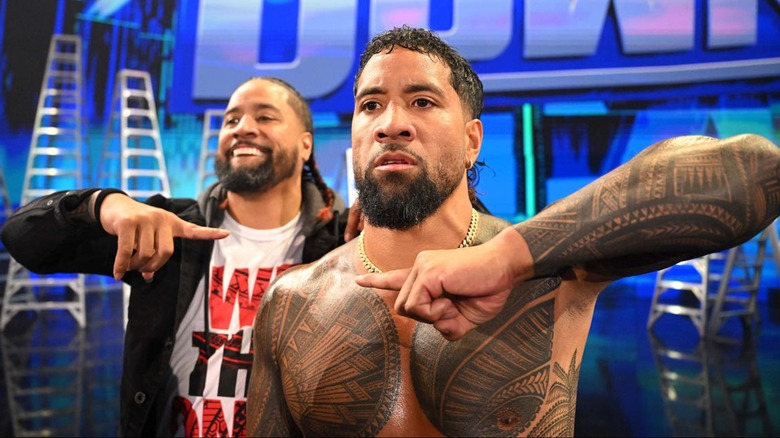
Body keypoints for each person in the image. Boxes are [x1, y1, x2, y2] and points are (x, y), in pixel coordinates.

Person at [244, 26, 780, 437]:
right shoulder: (292, 302)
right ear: (355, 134)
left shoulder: (553, 266)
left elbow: (762, 171)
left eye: (423, 101)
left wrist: (508, 258)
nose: (392, 122)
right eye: (371, 105)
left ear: (474, 140)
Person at [0, 77, 361, 437]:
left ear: (305, 145)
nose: (243, 129)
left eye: (265, 117)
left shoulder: (345, 244)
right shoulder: (167, 230)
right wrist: (101, 205)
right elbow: (23, 239)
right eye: (231, 120)